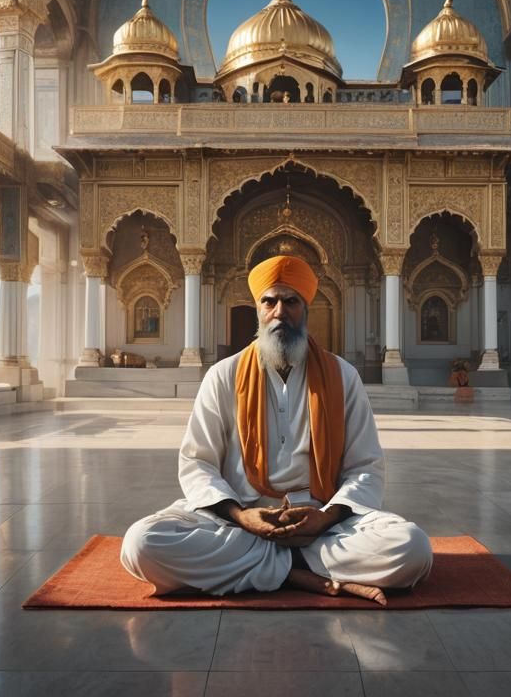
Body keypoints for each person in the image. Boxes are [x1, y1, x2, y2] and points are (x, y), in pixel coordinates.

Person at [122, 255, 432, 606]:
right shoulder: (223, 375)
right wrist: (242, 516)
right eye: (269, 301)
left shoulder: (343, 377)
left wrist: (324, 518)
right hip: (238, 521)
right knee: (142, 544)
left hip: (322, 525)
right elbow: (198, 464)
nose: (280, 312)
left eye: (291, 301)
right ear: (258, 309)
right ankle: (296, 573)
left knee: (412, 548)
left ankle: (271, 567)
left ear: (306, 309)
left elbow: (365, 468)